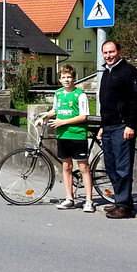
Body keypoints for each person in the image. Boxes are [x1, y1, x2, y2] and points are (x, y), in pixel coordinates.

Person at [36, 64, 95, 213]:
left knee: (83, 167)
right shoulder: (58, 94)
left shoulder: (80, 95)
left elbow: (83, 116)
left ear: (74, 78)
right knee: (66, 166)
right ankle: (69, 198)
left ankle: (89, 201)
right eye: (63, 77)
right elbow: (55, 111)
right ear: (60, 79)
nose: (66, 79)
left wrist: (63, 122)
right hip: (62, 135)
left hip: (77, 135)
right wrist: (42, 116)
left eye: (69, 77)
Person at [97, 40, 137, 219]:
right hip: (108, 126)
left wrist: (130, 124)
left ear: (119, 51)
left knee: (123, 167)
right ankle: (121, 201)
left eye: (111, 52)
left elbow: (136, 100)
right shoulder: (107, 73)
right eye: (106, 53)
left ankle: (124, 206)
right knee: (111, 167)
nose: (109, 55)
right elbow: (105, 103)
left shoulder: (129, 72)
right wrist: (102, 125)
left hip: (123, 126)